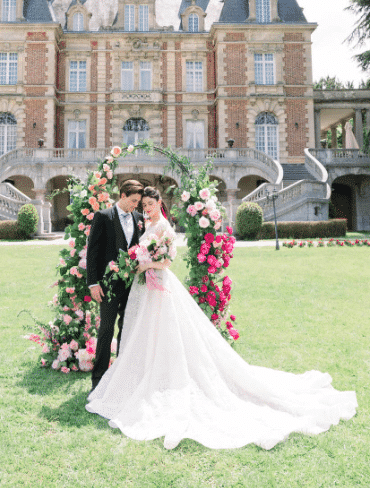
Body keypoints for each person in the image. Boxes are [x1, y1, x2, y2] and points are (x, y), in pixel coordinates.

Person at [86, 186, 357, 450]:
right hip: (141, 288)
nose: (144, 208)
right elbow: (112, 249)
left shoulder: (164, 228)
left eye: (149, 204)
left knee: (162, 332)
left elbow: (167, 261)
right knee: (138, 331)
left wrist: (146, 263)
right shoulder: (141, 224)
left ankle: (160, 379)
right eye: (142, 205)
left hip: (158, 283)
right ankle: (133, 374)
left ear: (159, 204)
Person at [86, 178, 144, 393]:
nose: (135, 205)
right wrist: (93, 284)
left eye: (138, 202)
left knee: (127, 329)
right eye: (133, 200)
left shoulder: (138, 218)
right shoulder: (103, 216)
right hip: (107, 286)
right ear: (122, 196)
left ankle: (121, 375)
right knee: (106, 330)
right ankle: (98, 379)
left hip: (132, 285)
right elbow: (92, 252)